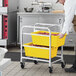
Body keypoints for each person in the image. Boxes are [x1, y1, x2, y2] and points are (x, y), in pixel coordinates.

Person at [56, 0, 76, 72]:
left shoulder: (68, 2)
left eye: (59, 1)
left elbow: (68, 18)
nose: (60, 3)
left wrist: (63, 32)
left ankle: (75, 68)